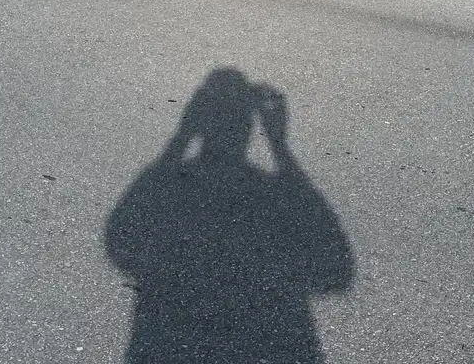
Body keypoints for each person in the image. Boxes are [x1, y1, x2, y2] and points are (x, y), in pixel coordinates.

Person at [105, 68, 354, 363]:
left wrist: (182, 137)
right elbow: (334, 262)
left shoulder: (175, 191)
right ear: (250, 126)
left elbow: (124, 232)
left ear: (199, 120)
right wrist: (279, 145)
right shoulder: (269, 196)